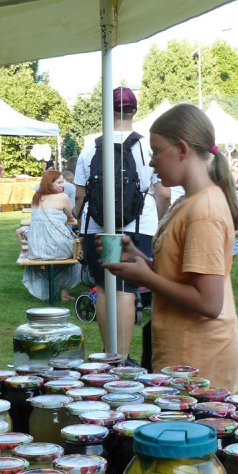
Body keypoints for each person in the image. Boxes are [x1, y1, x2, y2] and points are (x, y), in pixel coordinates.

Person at [104, 103, 238, 391]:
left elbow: (208, 303)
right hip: (184, 354)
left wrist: (147, 279)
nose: (151, 162)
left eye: (156, 151)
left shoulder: (204, 208)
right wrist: (140, 259)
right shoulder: (187, 202)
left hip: (199, 360)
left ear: (182, 150)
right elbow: (183, 275)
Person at [74, 86, 169, 362]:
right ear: (134, 111)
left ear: (107, 109)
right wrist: (161, 220)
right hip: (138, 225)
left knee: (104, 287)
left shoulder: (91, 146)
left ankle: (109, 354)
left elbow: (81, 194)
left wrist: (82, 230)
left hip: (98, 225)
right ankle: (123, 357)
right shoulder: (145, 146)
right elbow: (162, 191)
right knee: (126, 288)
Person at [22, 169, 79, 302]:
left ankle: (55, 292)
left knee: (59, 256)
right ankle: (64, 293)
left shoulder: (36, 197)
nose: (62, 185)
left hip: (36, 248)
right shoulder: (62, 197)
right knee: (76, 255)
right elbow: (71, 217)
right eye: (59, 182)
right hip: (57, 247)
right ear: (50, 183)